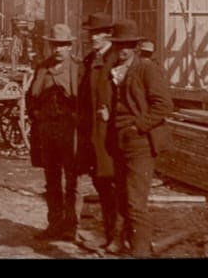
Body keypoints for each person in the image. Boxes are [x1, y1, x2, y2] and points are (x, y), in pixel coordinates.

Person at [104, 19, 173, 257]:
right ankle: (120, 241)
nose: (122, 50)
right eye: (118, 45)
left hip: (140, 142)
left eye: (128, 45)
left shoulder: (146, 69)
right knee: (121, 195)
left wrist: (138, 126)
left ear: (135, 47)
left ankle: (141, 251)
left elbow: (164, 105)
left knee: (136, 202)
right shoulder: (115, 70)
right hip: (119, 140)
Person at [24, 23, 83, 242]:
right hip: (48, 130)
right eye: (55, 46)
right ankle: (54, 224)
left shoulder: (78, 69)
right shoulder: (42, 68)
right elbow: (31, 96)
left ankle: (71, 226)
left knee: (72, 180)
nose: (58, 50)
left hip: (70, 131)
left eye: (63, 45)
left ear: (69, 46)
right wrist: (36, 114)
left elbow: (85, 101)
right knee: (52, 180)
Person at [76, 13, 118, 251]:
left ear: (108, 34)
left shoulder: (115, 59)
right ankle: (111, 234)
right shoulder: (91, 59)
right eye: (91, 33)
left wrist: (111, 114)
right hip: (93, 133)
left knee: (113, 184)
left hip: (111, 134)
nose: (93, 37)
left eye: (97, 33)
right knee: (101, 182)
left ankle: (118, 236)